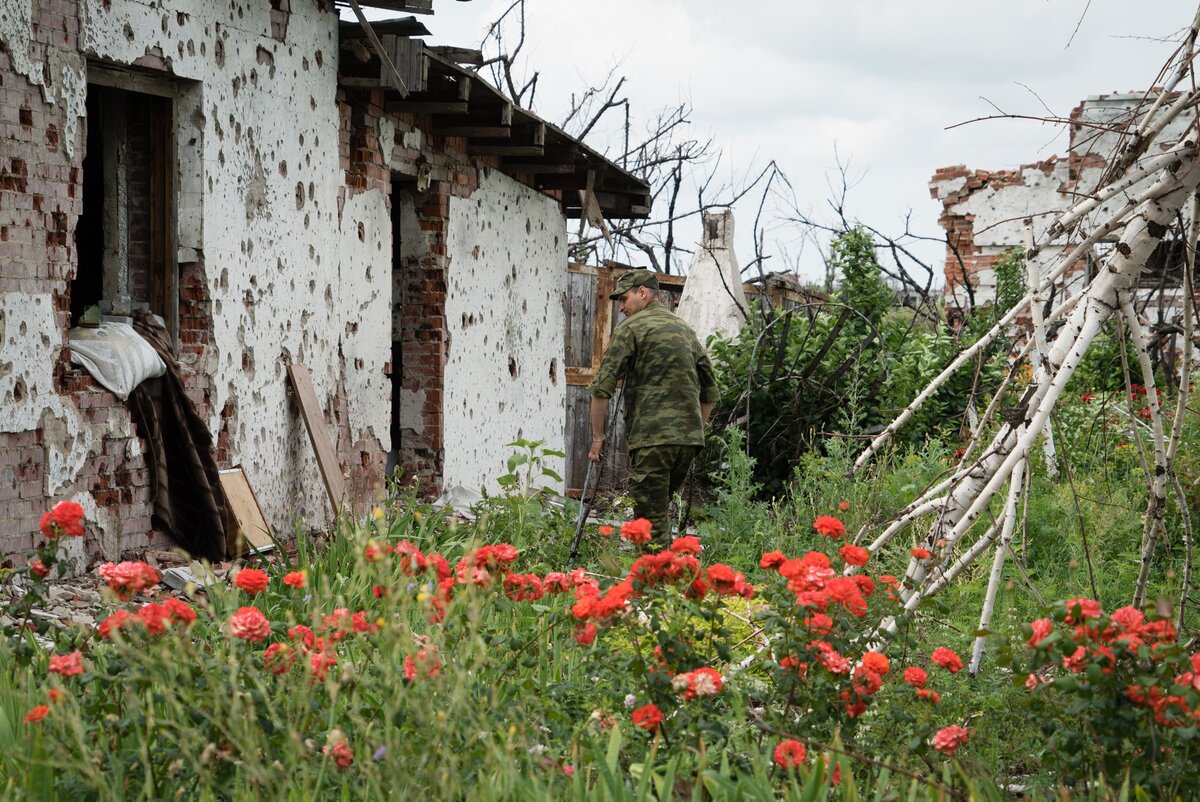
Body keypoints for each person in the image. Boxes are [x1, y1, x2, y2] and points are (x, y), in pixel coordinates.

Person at [588, 269, 719, 548]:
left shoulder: (631, 328)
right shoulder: (684, 329)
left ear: (643, 293)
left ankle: (654, 584)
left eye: (624, 299)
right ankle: (664, 578)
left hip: (652, 440)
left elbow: (601, 388)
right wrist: (695, 428)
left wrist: (597, 438)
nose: (621, 307)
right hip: (687, 441)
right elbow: (710, 390)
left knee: (649, 524)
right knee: (658, 511)